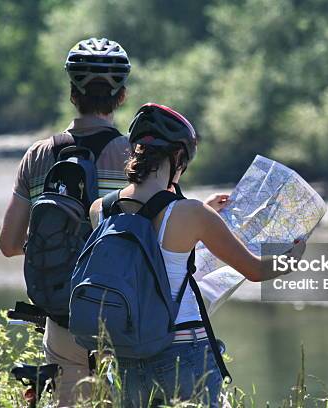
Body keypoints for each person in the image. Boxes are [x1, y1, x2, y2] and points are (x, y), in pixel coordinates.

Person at [89, 103, 306, 407]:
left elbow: (145, 240)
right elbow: (256, 270)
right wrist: (292, 259)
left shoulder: (100, 209)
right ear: (178, 157)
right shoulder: (192, 214)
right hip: (183, 353)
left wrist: (200, 208)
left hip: (128, 356)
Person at [0, 37, 133, 406]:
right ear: (121, 96)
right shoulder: (137, 157)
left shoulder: (38, 155)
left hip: (62, 317)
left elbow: (9, 245)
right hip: (126, 316)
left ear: (73, 92)